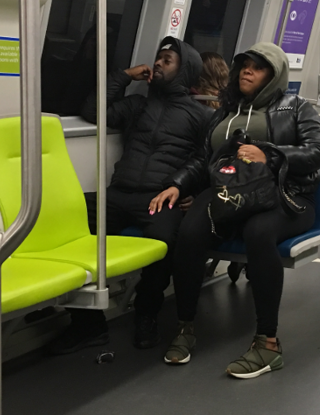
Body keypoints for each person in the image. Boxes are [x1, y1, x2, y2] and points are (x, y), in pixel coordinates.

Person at [154, 42, 320, 379]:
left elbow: (317, 151)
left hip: (284, 194)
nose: (248, 70)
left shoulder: (296, 108)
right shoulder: (225, 112)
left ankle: (268, 343)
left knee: (258, 232)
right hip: (229, 192)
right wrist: (178, 183)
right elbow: (205, 160)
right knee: (189, 230)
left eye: (258, 66)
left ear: (274, 76)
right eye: (244, 65)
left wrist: (271, 155)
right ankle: (185, 326)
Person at [47, 37, 213, 355]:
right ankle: (87, 324)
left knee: (164, 242)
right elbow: (93, 111)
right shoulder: (139, 105)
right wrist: (124, 76)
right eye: (158, 58)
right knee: (69, 220)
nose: (159, 63)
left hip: (159, 198)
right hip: (119, 193)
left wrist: (189, 190)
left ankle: (146, 313)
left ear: (185, 69)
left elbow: (206, 161)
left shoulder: (200, 116)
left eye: (168, 59)